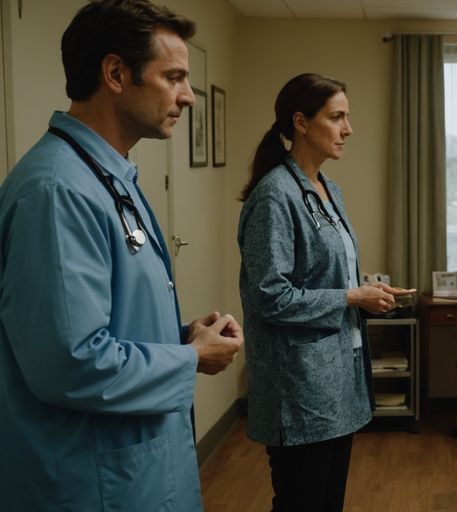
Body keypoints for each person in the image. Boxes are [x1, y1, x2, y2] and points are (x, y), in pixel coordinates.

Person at [0, 1, 244, 510]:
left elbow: (97, 322)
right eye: (173, 77)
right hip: (92, 483)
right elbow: (70, 363)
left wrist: (181, 337)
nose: (188, 96)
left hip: (135, 470)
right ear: (115, 73)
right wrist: (191, 358)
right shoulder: (57, 192)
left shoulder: (108, 175)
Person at [238, 73, 415, 512]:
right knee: (303, 502)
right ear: (301, 122)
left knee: (328, 502)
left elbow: (324, 273)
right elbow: (270, 296)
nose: (348, 129)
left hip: (336, 377)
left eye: (346, 117)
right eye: (336, 118)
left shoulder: (327, 190)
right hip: (299, 386)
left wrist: (365, 288)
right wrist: (353, 298)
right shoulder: (275, 196)